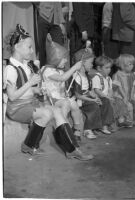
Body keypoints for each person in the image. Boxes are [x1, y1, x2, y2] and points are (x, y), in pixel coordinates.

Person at [3, 24, 93, 161]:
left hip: (29, 103)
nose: (32, 50)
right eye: (29, 47)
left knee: (56, 111)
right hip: (17, 107)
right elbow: (12, 96)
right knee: (47, 112)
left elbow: (27, 89)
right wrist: (30, 83)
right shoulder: (10, 69)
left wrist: (36, 89)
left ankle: (72, 149)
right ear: (17, 47)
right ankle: (29, 144)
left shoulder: (25, 65)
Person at [42, 55, 84, 142]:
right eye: (63, 59)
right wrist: (74, 67)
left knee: (74, 104)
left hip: (59, 99)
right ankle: (61, 130)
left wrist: (66, 93)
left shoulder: (60, 70)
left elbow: (62, 86)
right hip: (50, 100)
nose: (65, 61)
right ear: (55, 59)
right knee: (66, 104)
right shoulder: (47, 70)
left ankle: (76, 129)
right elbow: (62, 78)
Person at [72, 49, 104, 139]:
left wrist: (94, 95)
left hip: (86, 97)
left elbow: (88, 90)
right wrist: (92, 99)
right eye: (90, 63)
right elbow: (78, 95)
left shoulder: (87, 76)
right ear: (82, 63)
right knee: (94, 106)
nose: (92, 65)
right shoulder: (76, 76)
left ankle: (95, 126)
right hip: (79, 100)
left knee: (100, 102)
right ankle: (87, 129)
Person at [34, 2, 67, 67]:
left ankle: (58, 72)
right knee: (40, 48)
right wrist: (40, 6)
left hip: (56, 19)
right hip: (41, 16)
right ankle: (41, 70)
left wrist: (61, 21)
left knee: (59, 47)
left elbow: (59, 3)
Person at [112, 54, 135, 126]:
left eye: (133, 64)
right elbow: (118, 87)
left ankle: (133, 119)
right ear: (122, 65)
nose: (132, 66)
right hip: (119, 96)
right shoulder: (117, 75)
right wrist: (124, 97)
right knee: (128, 106)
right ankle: (125, 121)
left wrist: (131, 96)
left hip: (128, 95)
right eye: (129, 64)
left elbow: (133, 86)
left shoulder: (132, 75)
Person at [91, 56, 116, 133]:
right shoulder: (96, 77)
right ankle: (104, 126)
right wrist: (106, 97)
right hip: (98, 97)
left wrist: (110, 95)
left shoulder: (108, 78)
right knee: (106, 102)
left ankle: (111, 123)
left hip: (105, 97)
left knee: (115, 102)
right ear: (99, 68)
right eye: (107, 68)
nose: (109, 70)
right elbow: (97, 90)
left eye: (110, 68)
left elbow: (110, 89)